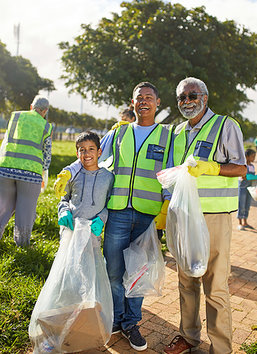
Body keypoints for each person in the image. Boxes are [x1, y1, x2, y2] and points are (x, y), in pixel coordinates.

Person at [54, 82, 173, 351]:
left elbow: (171, 173)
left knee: (138, 274)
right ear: (132, 103)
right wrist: (68, 172)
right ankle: (117, 320)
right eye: (138, 98)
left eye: (149, 98)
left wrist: (165, 208)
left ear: (157, 102)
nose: (143, 101)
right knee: (114, 272)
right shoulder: (118, 133)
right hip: (117, 212)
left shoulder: (168, 137)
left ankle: (132, 322)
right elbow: (88, 156)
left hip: (149, 216)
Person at [163, 77, 246, 354]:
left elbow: (241, 168)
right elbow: (173, 173)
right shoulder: (177, 132)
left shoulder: (225, 125)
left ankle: (221, 348)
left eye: (192, 95)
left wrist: (213, 168)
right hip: (183, 215)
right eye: (181, 97)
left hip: (213, 216)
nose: (187, 101)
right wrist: (166, 207)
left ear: (205, 97)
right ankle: (188, 336)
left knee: (215, 283)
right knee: (186, 279)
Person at [0, 96, 52, 246]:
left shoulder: (15, 116)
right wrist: (44, 172)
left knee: (3, 206)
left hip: (6, 168)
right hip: (30, 174)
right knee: (26, 210)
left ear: (31, 106)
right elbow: (46, 154)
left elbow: (6, 141)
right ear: (45, 111)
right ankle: (22, 245)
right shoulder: (46, 126)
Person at [57, 131, 113, 239]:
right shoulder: (73, 175)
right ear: (77, 154)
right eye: (82, 150)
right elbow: (64, 199)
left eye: (91, 149)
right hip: (71, 230)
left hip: (92, 233)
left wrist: (102, 218)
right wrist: (64, 211)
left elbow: (109, 205)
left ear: (99, 152)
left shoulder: (108, 177)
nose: (87, 154)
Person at [237, 148, 257, 230]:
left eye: (255, 156)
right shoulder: (243, 166)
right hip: (242, 187)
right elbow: (245, 177)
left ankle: (245, 222)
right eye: (252, 156)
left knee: (247, 205)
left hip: (250, 187)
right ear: (247, 156)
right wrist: (254, 177)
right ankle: (240, 223)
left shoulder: (252, 166)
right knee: (241, 204)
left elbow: (251, 177)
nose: (254, 158)